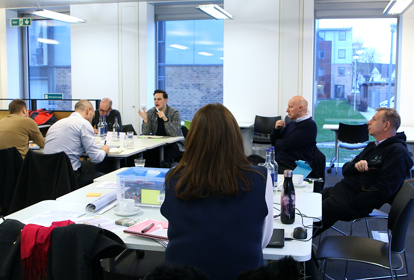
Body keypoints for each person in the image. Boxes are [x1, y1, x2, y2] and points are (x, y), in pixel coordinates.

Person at [160, 103, 273, 280]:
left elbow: (173, 234)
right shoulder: (261, 178)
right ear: (235, 138)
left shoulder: (173, 178)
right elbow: (263, 240)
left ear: (193, 139)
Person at [316, 107, 413, 236]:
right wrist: (356, 166)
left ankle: (299, 251)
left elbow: (383, 190)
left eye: (374, 119)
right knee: (311, 200)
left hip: (353, 200)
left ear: (386, 125)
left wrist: (355, 203)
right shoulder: (373, 147)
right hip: (342, 191)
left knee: (313, 216)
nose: (368, 122)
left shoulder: (397, 153)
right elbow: (345, 169)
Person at [44, 100, 110, 187]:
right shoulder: (83, 124)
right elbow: (96, 158)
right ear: (88, 110)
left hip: (48, 175)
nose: (91, 119)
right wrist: (104, 150)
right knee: (106, 178)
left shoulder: (56, 124)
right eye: (92, 115)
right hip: (70, 176)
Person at [270, 95, 317, 173]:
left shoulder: (309, 126)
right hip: (282, 162)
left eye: (290, 107)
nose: (287, 110)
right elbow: (273, 142)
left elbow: (286, 145)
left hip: (295, 166)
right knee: (253, 159)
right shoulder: (292, 123)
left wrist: (277, 142)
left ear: (300, 108)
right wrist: (276, 130)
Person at [138, 89, 184, 166]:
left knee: (163, 157)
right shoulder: (150, 113)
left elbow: (174, 134)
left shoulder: (174, 113)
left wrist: (165, 119)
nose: (156, 101)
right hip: (157, 143)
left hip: (174, 144)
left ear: (165, 100)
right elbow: (145, 133)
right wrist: (145, 120)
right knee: (147, 155)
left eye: (159, 99)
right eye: (155, 99)